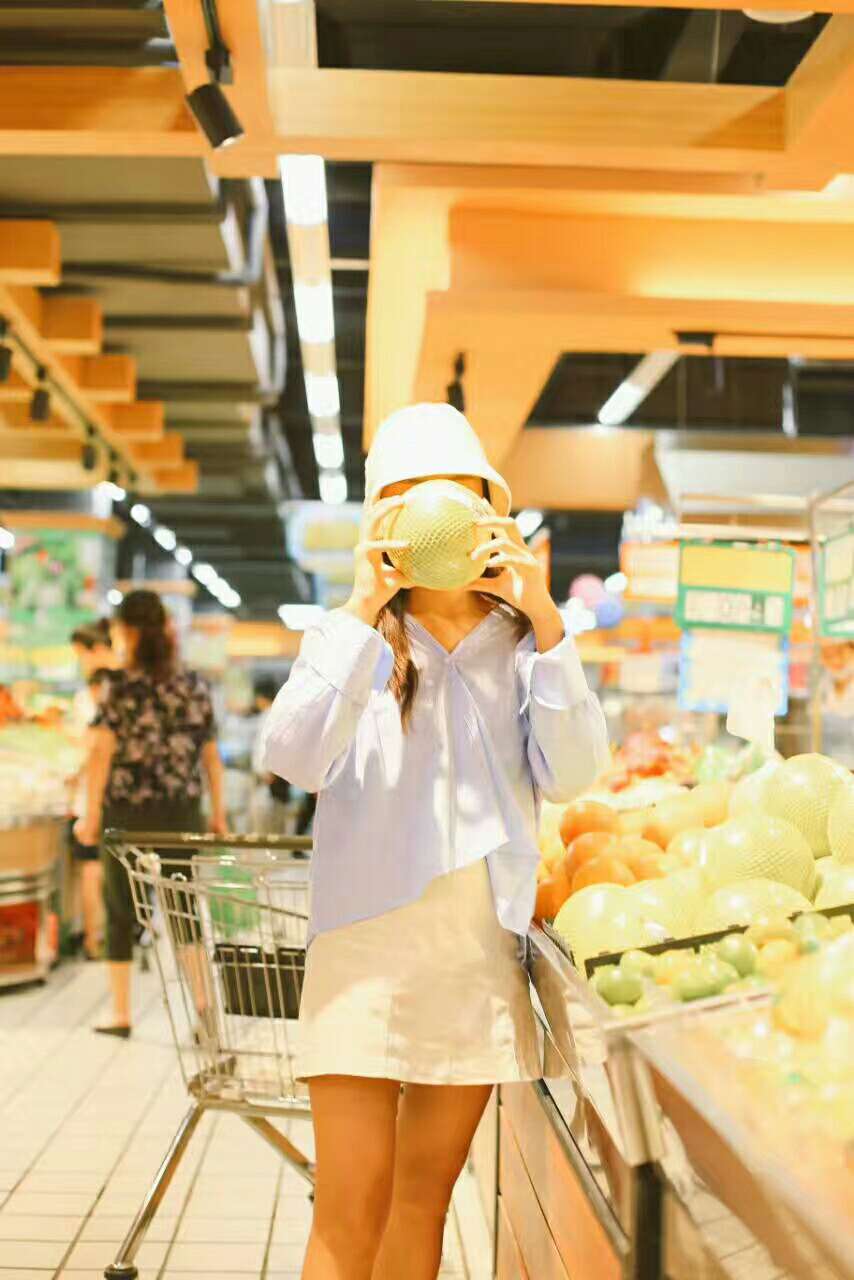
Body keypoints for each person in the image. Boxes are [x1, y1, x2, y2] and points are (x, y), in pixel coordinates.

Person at [263, 403, 610, 1280]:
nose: (437, 518)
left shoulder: (522, 642)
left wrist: (546, 617)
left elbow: (575, 773)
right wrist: (359, 607)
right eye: (411, 498)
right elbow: (293, 758)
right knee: (350, 1209)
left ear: (489, 512)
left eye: (457, 497)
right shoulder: (350, 637)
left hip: (474, 956)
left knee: (423, 1200)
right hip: (362, 951)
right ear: (382, 517)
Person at [74, 589, 227, 1038]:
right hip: (182, 812)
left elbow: (102, 754)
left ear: (127, 631)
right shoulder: (192, 684)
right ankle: (204, 1011)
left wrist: (90, 814)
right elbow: (211, 758)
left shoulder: (119, 687)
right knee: (184, 911)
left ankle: (121, 1013)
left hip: (128, 814)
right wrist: (217, 814)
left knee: (120, 910)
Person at [67, 620, 117, 959]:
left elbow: (94, 749)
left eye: (81, 655)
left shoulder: (94, 694)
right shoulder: (130, 685)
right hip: (125, 797)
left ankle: (93, 938)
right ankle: (117, 936)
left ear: (96, 650)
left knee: (91, 865)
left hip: (96, 796)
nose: (81, 662)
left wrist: (78, 777)